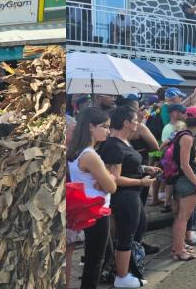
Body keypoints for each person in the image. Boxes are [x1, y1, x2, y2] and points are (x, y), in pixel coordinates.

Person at [99, 106, 156, 288]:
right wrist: (141, 183)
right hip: (124, 196)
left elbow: (128, 166)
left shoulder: (124, 142)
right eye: (135, 120)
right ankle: (122, 276)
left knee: (138, 228)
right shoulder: (113, 145)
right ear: (126, 123)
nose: (138, 123)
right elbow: (114, 178)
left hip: (132, 195)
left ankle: (127, 269)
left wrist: (145, 169)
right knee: (126, 235)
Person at [67, 107, 117, 289]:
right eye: (104, 126)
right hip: (97, 210)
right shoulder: (89, 155)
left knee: (100, 256)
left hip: (88, 209)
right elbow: (112, 186)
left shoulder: (75, 149)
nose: (108, 131)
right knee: (95, 260)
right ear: (90, 127)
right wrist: (110, 178)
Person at [168, 106, 196, 262]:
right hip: (186, 180)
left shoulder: (182, 134)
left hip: (180, 179)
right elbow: (185, 164)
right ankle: (179, 249)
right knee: (183, 217)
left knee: (180, 216)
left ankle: (179, 245)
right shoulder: (187, 138)